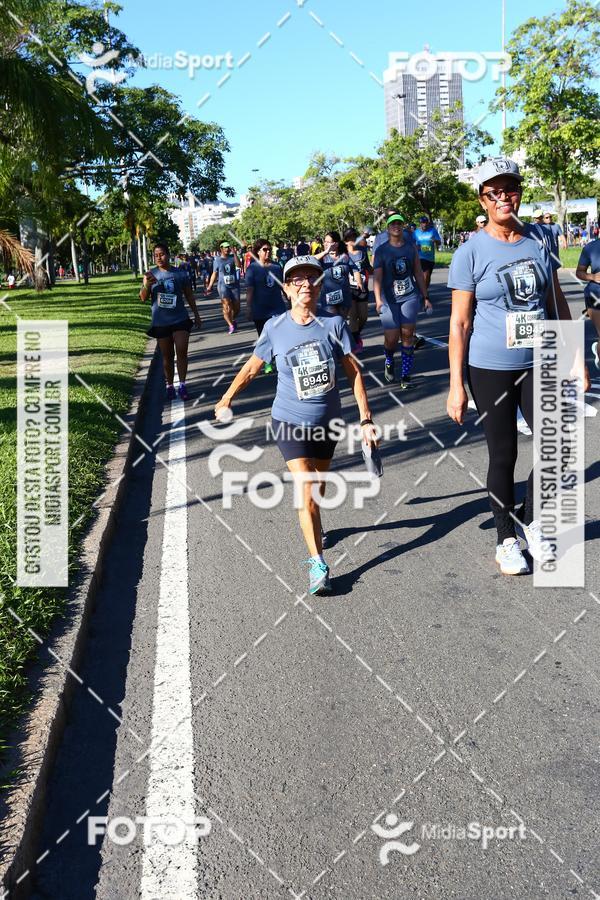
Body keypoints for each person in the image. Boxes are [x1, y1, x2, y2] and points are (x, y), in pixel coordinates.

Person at [446, 156, 588, 576]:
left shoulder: (538, 242)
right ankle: (506, 538)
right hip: (490, 366)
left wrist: (575, 358)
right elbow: (459, 321)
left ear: (519, 195)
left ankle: (533, 519)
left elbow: (556, 301)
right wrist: (456, 384)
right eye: (495, 192)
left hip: (540, 358)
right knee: (504, 451)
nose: (504, 198)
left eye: (511, 190)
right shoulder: (470, 252)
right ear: (483, 200)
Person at [214, 255, 378, 596]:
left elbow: (354, 372)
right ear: (287, 289)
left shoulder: (333, 325)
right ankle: (317, 563)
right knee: (307, 494)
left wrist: (366, 419)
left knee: (316, 492)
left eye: (312, 280)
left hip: (328, 422)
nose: (306, 285)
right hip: (288, 421)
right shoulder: (275, 328)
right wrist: (227, 397)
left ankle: (316, 530)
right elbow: (252, 368)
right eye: (298, 281)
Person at [373, 213, 430, 387]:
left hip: (409, 296)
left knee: (407, 335)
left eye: (399, 223)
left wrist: (425, 296)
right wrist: (378, 300)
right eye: (392, 224)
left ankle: (406, 376)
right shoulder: (382, 250)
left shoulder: (410, 247)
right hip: (388, 299)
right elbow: (377, 277)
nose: (396, 226)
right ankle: (389, 360)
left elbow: (418, 273)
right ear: (388, 228)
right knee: (391, 338)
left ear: (402, 226)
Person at [140, 242, 202, 401]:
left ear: (168, 255)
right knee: (167, 356)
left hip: (180, 318)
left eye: (162, 254)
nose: (159, 257)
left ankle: (182, 385)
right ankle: (169, 385)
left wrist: (196, 314)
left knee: (182, 350)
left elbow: (188, 295)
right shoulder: (150, 275)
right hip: (161, 322)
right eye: (156, 255)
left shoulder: (180, 274)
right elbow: (143, 298)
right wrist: (147, 285)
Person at [245, 238, 287, 374]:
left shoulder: (276, 267)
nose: (268, 252)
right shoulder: (252, 268)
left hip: (277, 308)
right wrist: (248, 307)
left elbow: (283, 286)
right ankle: (268, 362)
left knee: (280, 334)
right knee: (264, 337)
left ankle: (280, 360)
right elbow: (250, 290)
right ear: (258, 252)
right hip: (260, 309)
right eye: (264, 249)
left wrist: (290, 298)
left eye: (269, 249)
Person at [344, 227, 371, 352]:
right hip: (349, 289)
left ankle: (355, 333)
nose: (352, 241)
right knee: (353, 316)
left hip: (363, 288)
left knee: (364, 316)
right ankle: (355, 340)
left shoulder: (362, 252)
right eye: (349, 239)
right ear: (345, 241)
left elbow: (368, 268)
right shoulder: (343, 256)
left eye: (354, 238)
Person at [315, 232, 353, 319]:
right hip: (328, 297)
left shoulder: (344, 257)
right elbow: (311, 260)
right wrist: (326, 252)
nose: (325, 243)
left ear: (336, 244)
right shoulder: (323, 258)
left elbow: (354, 269)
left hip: (344, 295)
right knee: (332, 321)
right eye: (325, 241)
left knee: (341, 322)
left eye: (328, 242)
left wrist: (359, 282)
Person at [576, 236, 600, 369]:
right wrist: (593, 277)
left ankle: (597, 348)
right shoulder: (590, 248)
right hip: (595, 294)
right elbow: (579, 272)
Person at [207, 241, 241, 333]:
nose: (227, 249)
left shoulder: (232, 258)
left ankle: (232, 319)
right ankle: (230, 325)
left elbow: (239, 265)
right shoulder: (217, 260)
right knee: (226, 306)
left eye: (228, 247)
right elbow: (214, 273)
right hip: (223, 286)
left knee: (237, 308)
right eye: (225, 247)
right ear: (221, 249)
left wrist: (234, 253)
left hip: (234, 285)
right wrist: (210, 286)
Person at [414, 215, 441, 294]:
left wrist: (435, 240)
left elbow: (439, 243)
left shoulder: (433, 231)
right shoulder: (416, 233)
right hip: (419, 257)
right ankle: (423, 293)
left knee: (428, 277)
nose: (424, 224)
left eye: (425, 223)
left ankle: (423, 290)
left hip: (430, 258)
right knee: (425, 274)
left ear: (428, 223)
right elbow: (410, 243)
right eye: (422, 223)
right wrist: (415, 246)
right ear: (420, 224)